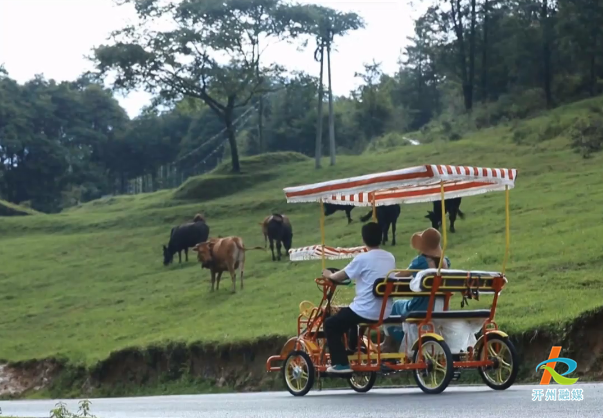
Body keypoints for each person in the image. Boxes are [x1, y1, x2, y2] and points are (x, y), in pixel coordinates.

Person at [321, 222, 396, 374]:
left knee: (330, 324)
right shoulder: (390, 257)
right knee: (347, 315)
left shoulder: (362, 259)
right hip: (384, 310)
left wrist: (328, 275)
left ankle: (340, 363)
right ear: (381, 237)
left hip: (365, 310)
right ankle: (352, 348)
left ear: (363, 239)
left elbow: (339, 276)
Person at [381, 227, 451, 352]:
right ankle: (397, 342)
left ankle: (388, 343)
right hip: (442, 308)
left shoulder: (420, 262)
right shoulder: (445, 262)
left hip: (421, 307)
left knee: (394, 306)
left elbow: (399, 276)